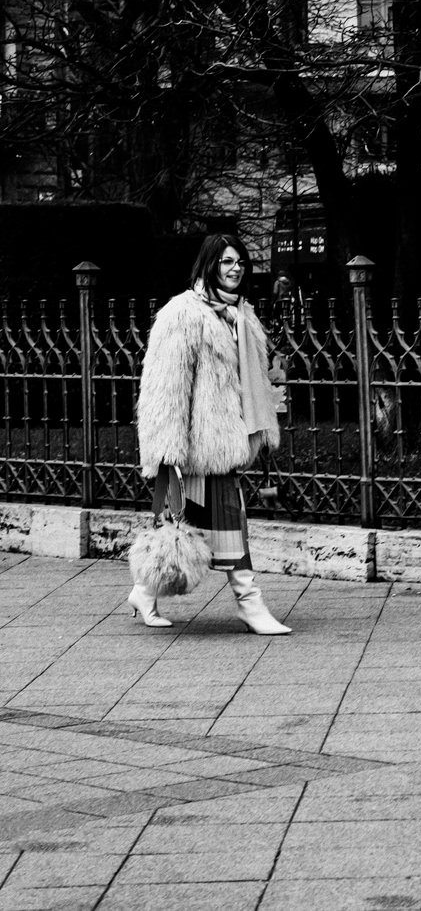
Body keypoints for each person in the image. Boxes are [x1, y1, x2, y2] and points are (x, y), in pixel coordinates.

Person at [131, 233, 292, 634]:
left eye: (239, 262)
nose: (235, 269)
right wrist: (167, 451)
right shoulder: (182, 313)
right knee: (180, 528)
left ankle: (145, 591)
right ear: (209, 265)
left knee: (203, 525)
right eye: (226, 262)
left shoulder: (243, 315)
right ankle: (249, 604)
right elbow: (165, 388)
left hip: (226, 444)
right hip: (191, 448)